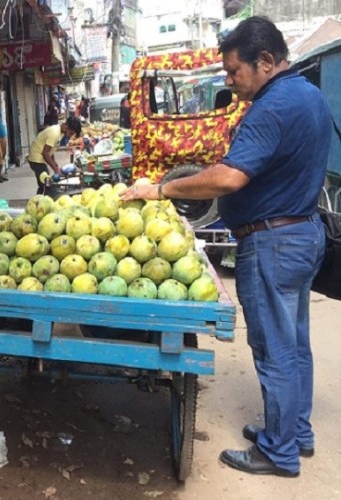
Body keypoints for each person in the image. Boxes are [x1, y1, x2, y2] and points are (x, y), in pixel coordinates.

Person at [120, 16, 330, 478]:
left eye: (235, 72)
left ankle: (279, 452)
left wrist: (162, 190)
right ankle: (296, 430)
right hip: (303, 232)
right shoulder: (310, 95)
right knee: (294, 343)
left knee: (275, 348)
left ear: (266, 62)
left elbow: (230, 177)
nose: (230, 82)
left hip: (273, 241)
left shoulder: (271, 107)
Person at [28, 116, 82, 195]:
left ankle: (38, 199)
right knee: (47, 182)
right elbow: (45, 153)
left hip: (39, 156)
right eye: (71, 133)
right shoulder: (55, 133)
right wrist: (56, 169)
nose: (70, 136)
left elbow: (51, 149)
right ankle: (43, 200)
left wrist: (55, 164)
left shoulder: (60, 132)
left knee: (43, 184)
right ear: (66, 126)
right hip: (36, 158)